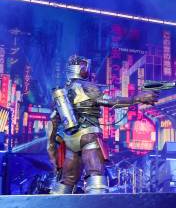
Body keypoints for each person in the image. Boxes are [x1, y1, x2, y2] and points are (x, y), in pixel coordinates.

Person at [46, 55, 157, 194]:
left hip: (70, 141)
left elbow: (52, 125)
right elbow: (112, 101)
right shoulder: (87, 86)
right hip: (88, 136)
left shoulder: (61, 93)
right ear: (82, 69)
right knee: (96, 177)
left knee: (66, 182)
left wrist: (52, 153)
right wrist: (137, 98)